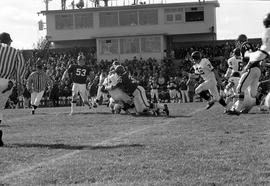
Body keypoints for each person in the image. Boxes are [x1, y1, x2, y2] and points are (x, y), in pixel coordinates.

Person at [227, 12, 270, 115]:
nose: (237, 43)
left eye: (238, 41)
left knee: (239, 88)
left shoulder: (245, 45)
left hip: (251, 69)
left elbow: (250, 53)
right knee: (253, 93)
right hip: (257, 70)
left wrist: (248, 63)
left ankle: (237, 109)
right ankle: (263, 101)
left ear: (240, 41)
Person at [0, 32, 26, 147]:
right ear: (9, 41)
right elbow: (20, 69)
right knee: (0, 108)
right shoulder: (15, 52)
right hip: (6, 82)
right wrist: (18, 83)